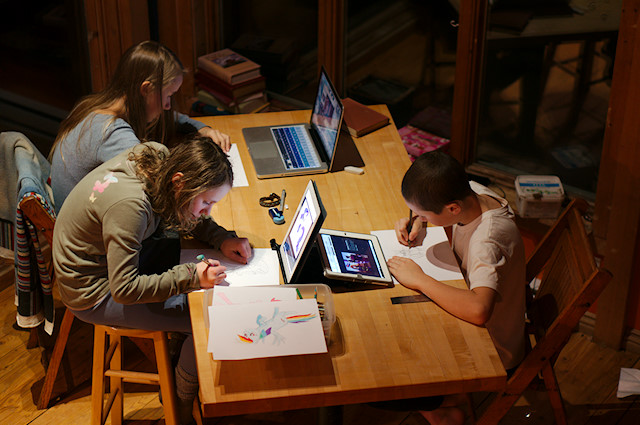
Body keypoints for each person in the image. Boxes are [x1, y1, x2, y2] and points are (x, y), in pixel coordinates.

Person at [52, 135, 251, 425]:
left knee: (196, 295)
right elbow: (124, 288)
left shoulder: (158, 156)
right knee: (207, 321)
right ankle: (180, 404)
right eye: (207, 202)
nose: (208, 211)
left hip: (110, 264)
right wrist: (189, 276)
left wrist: (219, 237)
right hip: (93, 292)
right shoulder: (130, 208)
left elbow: (184, 210)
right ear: (180, 181)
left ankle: (176, 360)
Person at [387, 151, 526, 425]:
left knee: (383, 380)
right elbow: (436, 200)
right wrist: (419, 221)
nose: (418, 215)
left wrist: (419, 279)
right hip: (471, 306)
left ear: (452, 209)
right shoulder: (471, 191)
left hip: (491, 348)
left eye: (422, 212)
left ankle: (440, 404)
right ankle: (440, 405)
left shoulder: (487, 242)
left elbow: (478, 310)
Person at [49, 40, 231, 211]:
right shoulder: (112, 133)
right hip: (86, 236)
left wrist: (203, 129)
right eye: (168, 96)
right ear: (146, 89)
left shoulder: (96, 107)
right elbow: (161, 189)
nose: (168, 105)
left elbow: (174, 118)